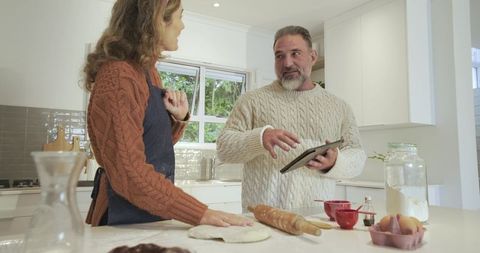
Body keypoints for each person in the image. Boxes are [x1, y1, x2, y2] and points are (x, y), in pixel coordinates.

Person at [83, 0, 252, 227]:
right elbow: (128, 172)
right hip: (121, 217)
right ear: (155, 19)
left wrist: (178, 119)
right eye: (179, 16)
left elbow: (151, 146)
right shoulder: (119, 76)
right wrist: (201, 214)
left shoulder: (148, 72)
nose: (182, 26)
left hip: (148, 211)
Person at [216, 25, 366, 210]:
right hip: (263, 220)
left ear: (312, 57)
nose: (287, 63)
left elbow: (357, 156)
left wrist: (336, 162)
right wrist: (260, 138)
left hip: (317, 220)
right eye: (280, 56)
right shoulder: (251, 100)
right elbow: (223, 148)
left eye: (296, 53)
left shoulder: (339, 107)